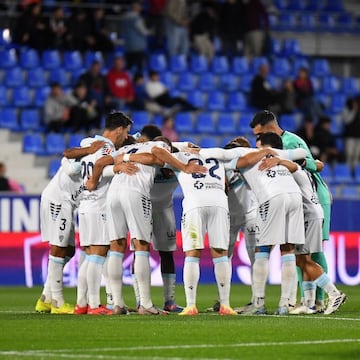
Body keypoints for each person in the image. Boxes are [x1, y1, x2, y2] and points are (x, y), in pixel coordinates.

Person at [86, 135, 206, 315]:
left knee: (116, 247)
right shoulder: (158, 146)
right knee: (141, 245)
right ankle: (146, 305)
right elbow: (158, 152)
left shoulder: (126, 150)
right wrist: (184, 167)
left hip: (113, 195)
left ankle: (117, 304)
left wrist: (101, 175)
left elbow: (102, 162)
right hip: (135, 193)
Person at [196, 132, 308, 315]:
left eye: (257, 146)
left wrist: (195, 151)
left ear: (261, 145)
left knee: (261, 252)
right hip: (294, 197)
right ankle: (284, 305)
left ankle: (259, 304)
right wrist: (277, 157)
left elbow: (221, 155)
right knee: (288, 250)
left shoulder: (247, 155)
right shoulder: (280, 154)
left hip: (268, 201)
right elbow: (302, 153)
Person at [250, 110, 332, 312]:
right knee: (298, 252)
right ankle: (306, 301)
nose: (257, 140)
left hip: (312, 198)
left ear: (270, 129)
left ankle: (320, 300)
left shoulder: (291, 142)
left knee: (313, 252)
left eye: (259, 135)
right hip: (297, 198)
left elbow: (315, 165)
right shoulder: (277, 145)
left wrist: (285, 161)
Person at [152, 146, 238, 316]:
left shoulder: (180, 155)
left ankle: (191, 306)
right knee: (220, 253)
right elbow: (241, 156)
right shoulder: (218, 154)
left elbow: (156, 149)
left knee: (192, 254)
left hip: (194, 205)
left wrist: (183, 165)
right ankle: (225, 306)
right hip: (219, 204)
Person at [64, 110, 133, 315]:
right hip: (98, 206)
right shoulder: (107, 147)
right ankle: (94, 305)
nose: (127, 136)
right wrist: (118, 168)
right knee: (98, 254)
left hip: (85, 205)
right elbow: (101, 165)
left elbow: (75, 159)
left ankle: (82, 303)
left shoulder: (89, 144)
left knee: (89, 255)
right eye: (126, 132)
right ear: (119, 129)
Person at [34, 141, 104, 314]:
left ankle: (46, 297)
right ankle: (57, 302)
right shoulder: (79, 160)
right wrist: (89, 152)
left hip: (68, 204)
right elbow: (69, 163)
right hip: (58, 200)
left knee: (70, 250)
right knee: (58, 248)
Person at [120, 1, 151, 72]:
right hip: (138, 47)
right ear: (135, 7)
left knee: (128, 66)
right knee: (139, 67)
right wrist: (149, 32)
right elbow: (143, 31)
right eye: (139, 6)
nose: (140, 8)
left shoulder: (125, 17)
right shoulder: (137, 18)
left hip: (128, 46)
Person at [342, 96, 360, 174]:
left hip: (358, 137)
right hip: (349, 137)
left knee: (356, 156)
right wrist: (353, 110)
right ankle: (347, 172)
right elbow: (347, 121)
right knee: (349, 155)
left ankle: (355, 173)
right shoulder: (347, 110)